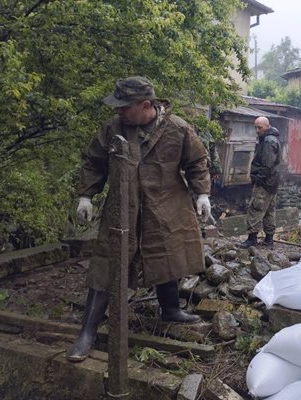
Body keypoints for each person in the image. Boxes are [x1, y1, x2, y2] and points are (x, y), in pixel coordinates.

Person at [69, 76, 211, 362]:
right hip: (122, 205)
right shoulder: (113, 128)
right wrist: (86, 195)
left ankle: (170, 309)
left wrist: (202, 194)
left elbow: (197, 162)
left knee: (166, 255)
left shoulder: (178, 129)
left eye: (124, 107)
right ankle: (88, 331)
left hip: (167, 204)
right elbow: (93, 161)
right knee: (107, 261)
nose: (118, 111)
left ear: (146, 105)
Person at [239, 116, 281, 248]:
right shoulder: (271, 139)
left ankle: (252, 238)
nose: (257, 130)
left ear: (267, 126)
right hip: (272, 182)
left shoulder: (268, 141)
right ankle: (269, 239)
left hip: (265, 182)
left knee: (255, 208)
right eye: (255, 127)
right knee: (269, 210)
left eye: (260, 127)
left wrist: (258, 179)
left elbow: (267, 164)